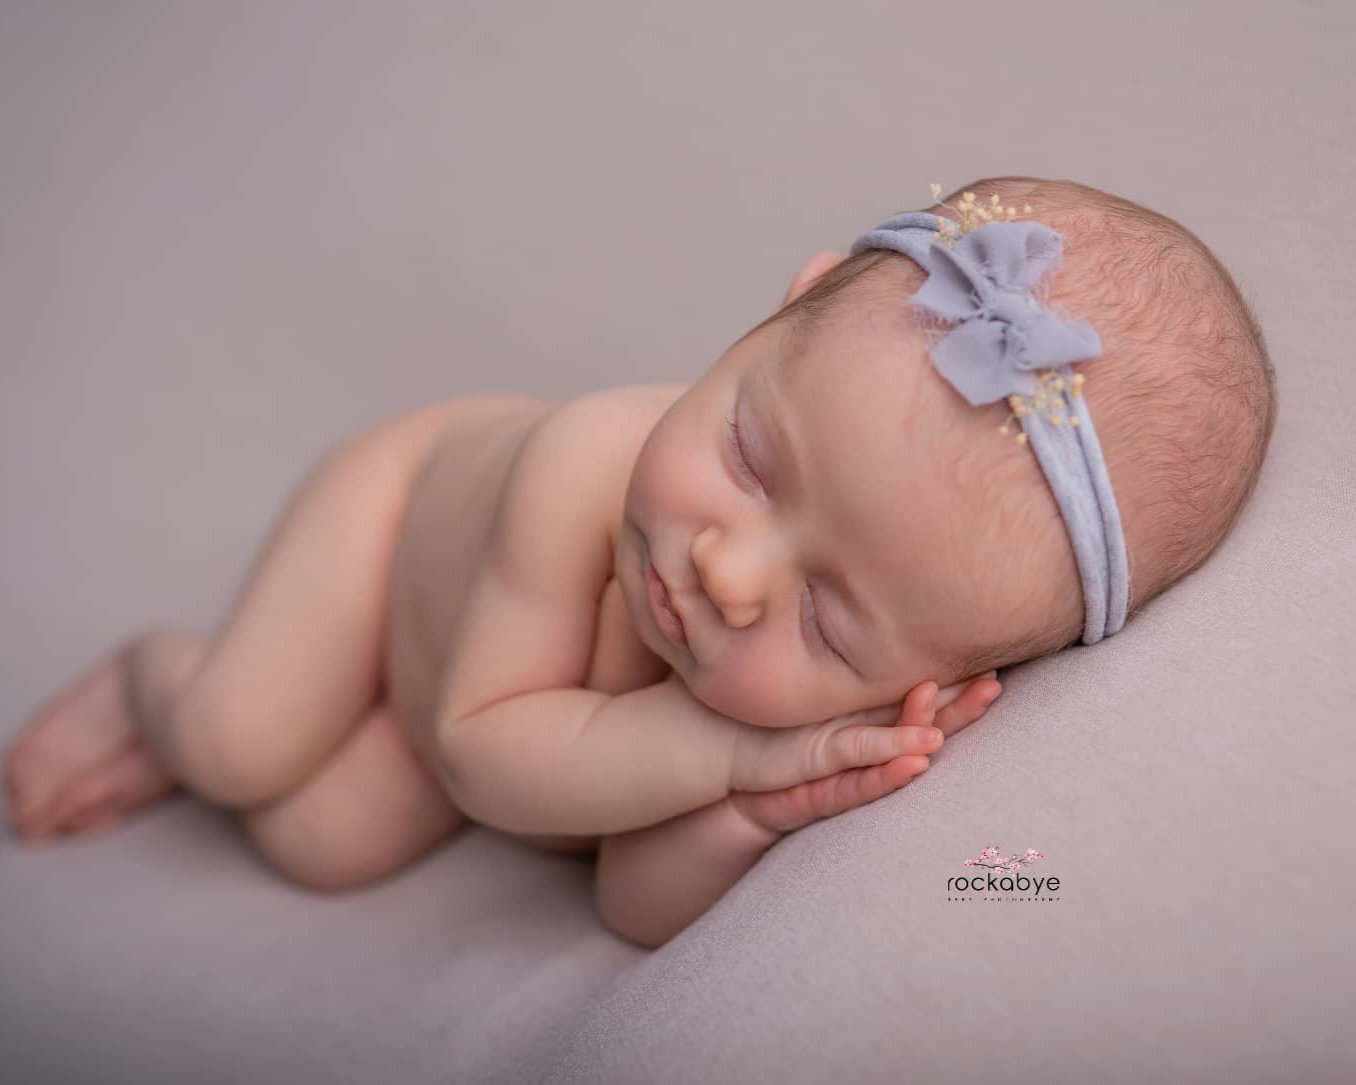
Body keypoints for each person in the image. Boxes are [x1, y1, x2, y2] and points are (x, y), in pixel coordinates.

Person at [2, 175, 1276, 949]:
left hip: (489, 730)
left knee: (325, 838)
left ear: (946, 665)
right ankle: (152, 683)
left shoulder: (813, 703)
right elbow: (488, 751)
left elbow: (623, 898)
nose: (729, 573)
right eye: (750, 455)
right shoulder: (580, 461)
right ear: (783, 310)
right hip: (400, 551)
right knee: (243, 738)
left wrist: (754, 811)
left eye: (829, 621)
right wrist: (733, 749)